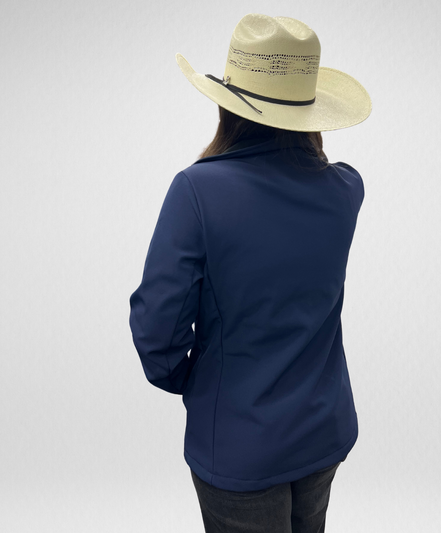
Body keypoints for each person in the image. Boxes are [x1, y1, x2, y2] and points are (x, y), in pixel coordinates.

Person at [129, 13, 371, 533]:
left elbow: (157, 332)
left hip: (239, 444)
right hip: (323, 430)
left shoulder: (197, 192)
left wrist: (197, 383)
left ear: (227, 103)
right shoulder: (346, 190)